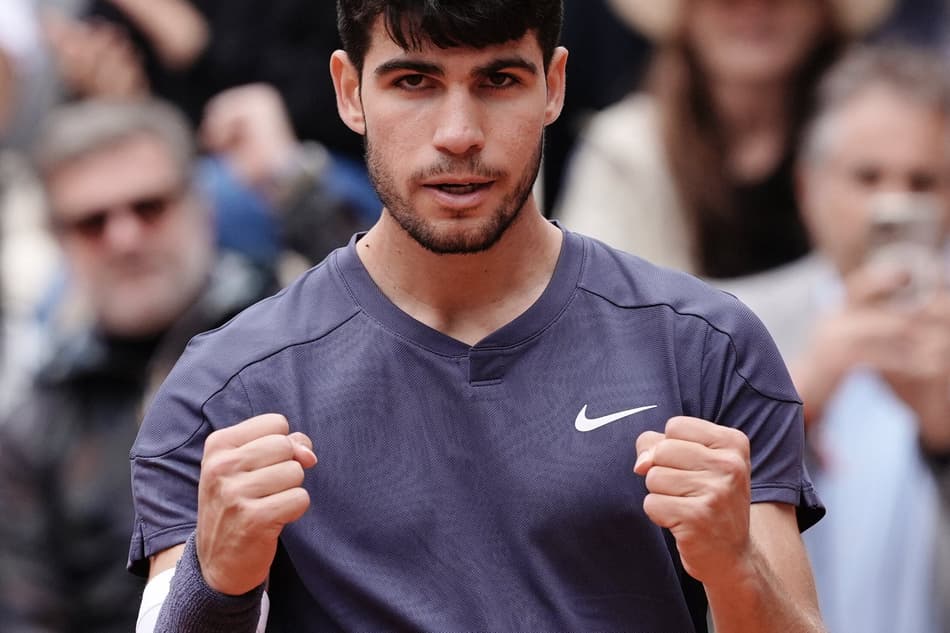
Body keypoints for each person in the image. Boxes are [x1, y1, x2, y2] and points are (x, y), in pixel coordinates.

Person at [129, 2, 825, 632]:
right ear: (350, 91)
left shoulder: (705, 345)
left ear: (553, 85)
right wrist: (214, 583)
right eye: (414, 82)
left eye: (497, 81)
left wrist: (737, 569)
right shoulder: (223, 388)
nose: (458, 134)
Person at [0, 98, 273, 632]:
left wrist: (293, 182)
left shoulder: (293, 340)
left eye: (149, 207)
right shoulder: (34, 432)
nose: (124, 238)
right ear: (60, 241)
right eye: (92, 222)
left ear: (202, 206)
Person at [745, 45, 949, 633]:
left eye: (923, 180)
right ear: (809, 187)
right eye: (868, 176)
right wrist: (794, 403)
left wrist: (945, 445)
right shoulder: (727, 324)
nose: (894, 202)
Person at [555, 0, 892, 279]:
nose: (755, 10)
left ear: (823, 12)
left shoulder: (886, 141)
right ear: (687, 15)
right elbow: (596, 311)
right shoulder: (624, 151)